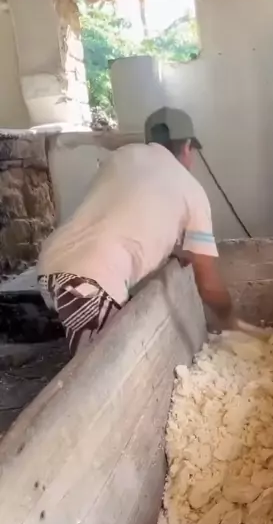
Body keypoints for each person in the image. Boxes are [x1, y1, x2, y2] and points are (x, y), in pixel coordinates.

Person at [37, 107, 235, 355]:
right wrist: (230, 319)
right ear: (187, 147)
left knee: (95, 358)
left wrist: (176, 249)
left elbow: (124, 216)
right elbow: (209, 284)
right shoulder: (192, 191)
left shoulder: (121, 157)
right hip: (88, 284)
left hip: (51, 264)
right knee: (104, 367)